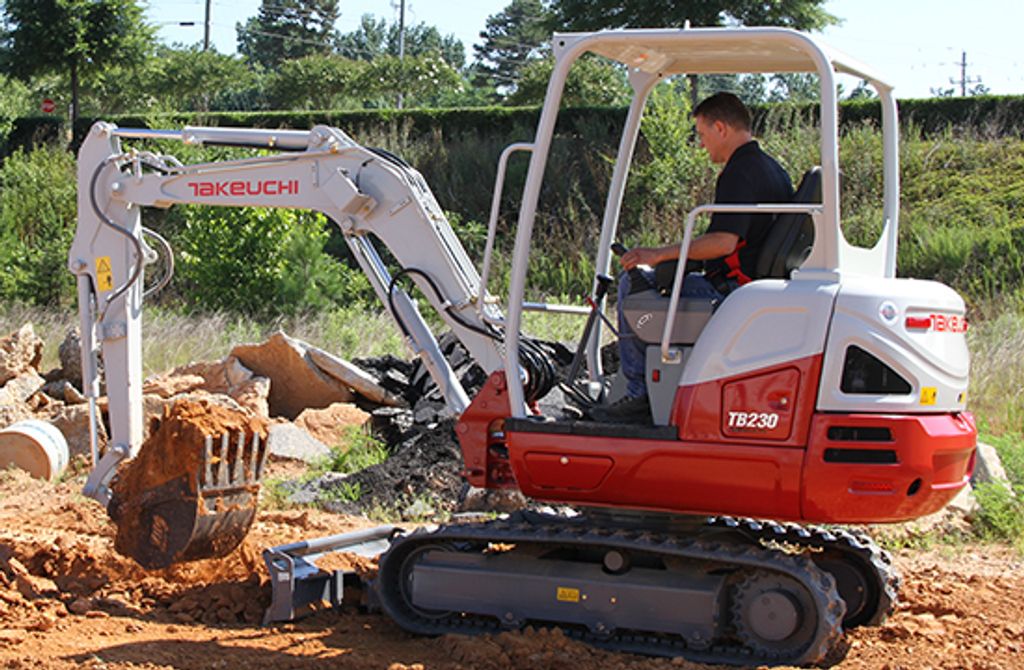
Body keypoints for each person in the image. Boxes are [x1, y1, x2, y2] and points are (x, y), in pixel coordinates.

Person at [590, 92, 794, 424]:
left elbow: (723, 243)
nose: (701, 145)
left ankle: (639, 395)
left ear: (720, 128)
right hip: (751, 288)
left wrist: (658, 255)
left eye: (701, 134)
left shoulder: (739, 173)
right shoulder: (772, 169)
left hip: (729, 293)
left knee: (632, 285)